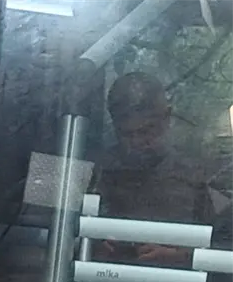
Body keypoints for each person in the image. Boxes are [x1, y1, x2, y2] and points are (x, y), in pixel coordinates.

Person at [90, 71, 214, 268]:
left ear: (167, 117)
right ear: (113, 125)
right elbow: (52, 235)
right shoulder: (92, 171)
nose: (137, 141)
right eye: (126, 134)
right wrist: (90, 246)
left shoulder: (199, 175)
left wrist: (181, 257)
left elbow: (220, 246)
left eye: (147, 131)